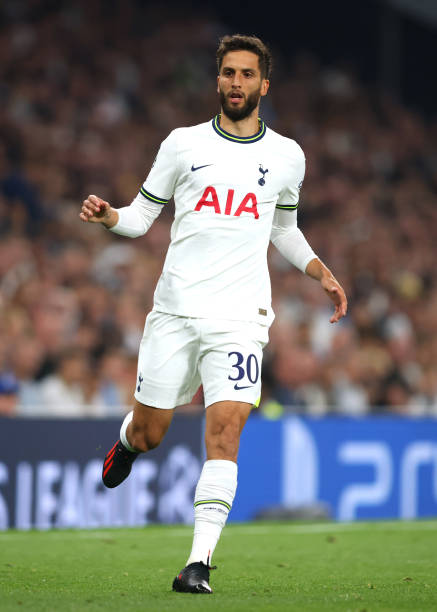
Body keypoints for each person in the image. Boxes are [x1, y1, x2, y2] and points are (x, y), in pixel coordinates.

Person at [79, 34, 347, 594]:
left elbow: (283, 228)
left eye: (247, 75)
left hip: (242, 319)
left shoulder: (287, 156)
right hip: (175, 312)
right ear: (217, 79)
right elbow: (139, 219)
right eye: (228, 73)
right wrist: (108, 217)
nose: (236, 83)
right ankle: (127, 442)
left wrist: (319, 270)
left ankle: (197, 563)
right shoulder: (182, 145)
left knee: (226, 429)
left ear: (263, 85)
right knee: (152, 433)